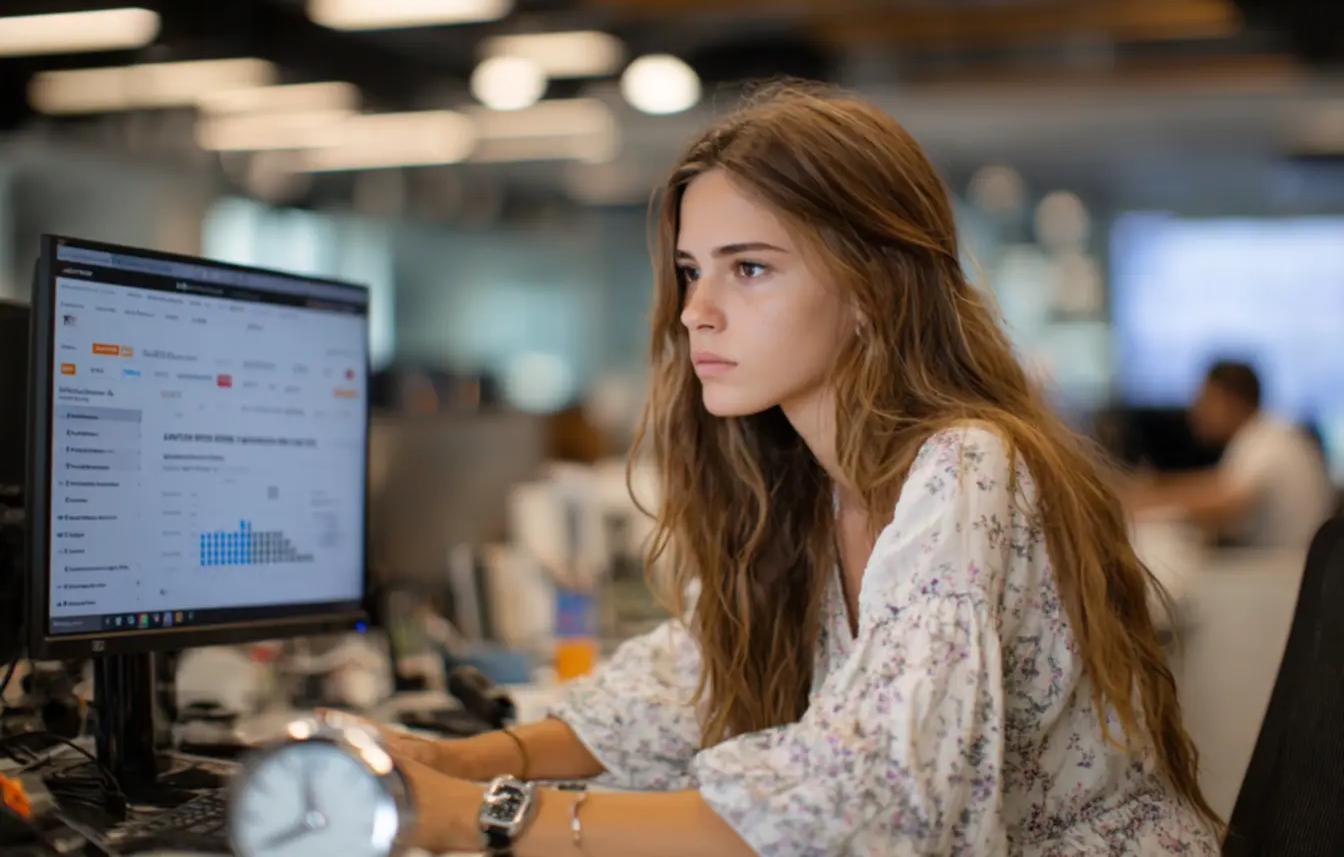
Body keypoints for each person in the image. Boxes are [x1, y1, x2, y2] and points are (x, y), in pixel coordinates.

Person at [366, 84, 1221, 855]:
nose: (696, 312)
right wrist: (456, 763)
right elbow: (686, 685)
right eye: (692, 272)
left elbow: (875, 798)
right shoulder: (808, 485)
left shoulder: (966, 466)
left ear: (872, 287)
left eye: (749, 269)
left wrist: (484, 816)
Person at [1126, 360, 1336, 549]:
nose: (1196, 410)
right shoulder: (1269, 432)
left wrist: (1146, 504)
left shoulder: (1267, 440)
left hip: (1281, 567)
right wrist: (1152, 491)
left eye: (1205, 399)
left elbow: (1227, 502)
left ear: (1229, 400)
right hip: (1284, 562)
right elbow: (1218, 484)